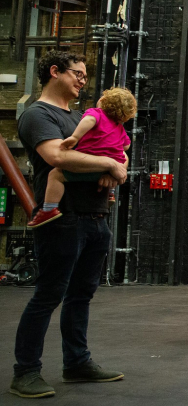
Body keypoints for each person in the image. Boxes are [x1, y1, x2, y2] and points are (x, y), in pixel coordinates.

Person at [12, 50, 127, 399]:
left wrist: (112, 168)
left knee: (81, 296)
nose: (82, 80)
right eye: (76, 73)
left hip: (95, 217)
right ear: (53, 72)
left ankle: (76, 362)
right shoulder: (37, 114)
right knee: (49, 295)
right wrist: (108, 163)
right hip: (62, 219)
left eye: (84, 75)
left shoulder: (82, 116)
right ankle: (26, 372)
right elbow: (57, 156)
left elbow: (117, 152)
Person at [29, 87, 136, 228]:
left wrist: (75, 137)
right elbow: (125, 149)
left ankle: (49, 209)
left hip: (89, 170)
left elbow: (89, 120)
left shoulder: (95, 113)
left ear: (103, 100)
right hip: (102, 177)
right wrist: (112, 167)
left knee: (55, 175)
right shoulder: (119, 128)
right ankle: (111, 192)